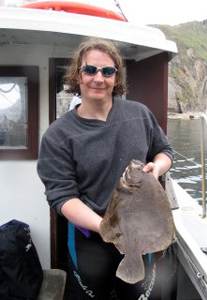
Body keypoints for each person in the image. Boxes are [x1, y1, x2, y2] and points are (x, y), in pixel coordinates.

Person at [37, 38, 173, 300]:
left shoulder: (140, 114)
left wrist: (157, 168)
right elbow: (62, 197)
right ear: (78, 75)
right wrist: (107, 228)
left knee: (139, 292)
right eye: (90, 70)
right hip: (91, 238)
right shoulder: (58, 134)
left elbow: (164, 151)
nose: (98, 78)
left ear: (116, 77)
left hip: (140, 232)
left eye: (107, 71)